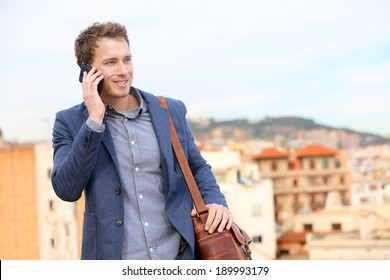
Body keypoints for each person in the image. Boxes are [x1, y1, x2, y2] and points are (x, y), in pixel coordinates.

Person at [51, 22, 233, 260]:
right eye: (111, 62)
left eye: (127, 59)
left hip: (179, 255)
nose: (123, 71)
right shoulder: (70, 122)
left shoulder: (169, 110)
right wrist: (94, 121)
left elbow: (197, 167)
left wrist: (215, 201)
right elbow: (66, 189)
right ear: (87, 72)